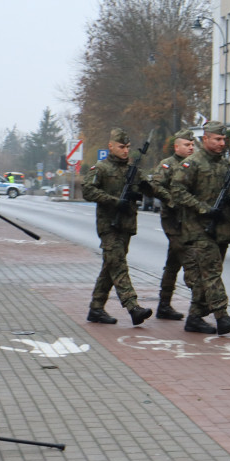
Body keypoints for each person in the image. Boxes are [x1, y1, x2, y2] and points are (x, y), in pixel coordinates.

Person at [169, 120, 230, 335]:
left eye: (223, 140)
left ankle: (195, 318)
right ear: (205, 138)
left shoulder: (227, 165)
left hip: (222, 229)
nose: (221, 143)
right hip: (199, 229)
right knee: (212, 273)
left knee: (206, 276)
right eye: (217, 139)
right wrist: (202, 208)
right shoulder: (193, 163)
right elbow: (177, 190)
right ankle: (222, 315)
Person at [81, 128, 154, 326]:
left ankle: (96, 309)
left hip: (126, 225)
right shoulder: (101, 168)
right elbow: (87, 190)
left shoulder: (132, 170)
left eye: (128, 147)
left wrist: (147, 188)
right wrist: (114, 201)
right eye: (121, 147)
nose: (125, 151)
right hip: (109, 226)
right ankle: (133, 307)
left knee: (110, 266)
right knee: (119, 265)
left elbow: (150, 187)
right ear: (111, 146)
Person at [150, 129, 195, 321]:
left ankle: (164, 305)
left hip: (190, 220)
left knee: (173, 263)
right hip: (172, 219)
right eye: (187, 145)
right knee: (189, 260)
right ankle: (203, 303)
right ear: (177, 146)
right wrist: (171, 199)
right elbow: (156, 186)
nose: (191, 148)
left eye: (193, 144)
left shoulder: (195, 164)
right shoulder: (167, 165)